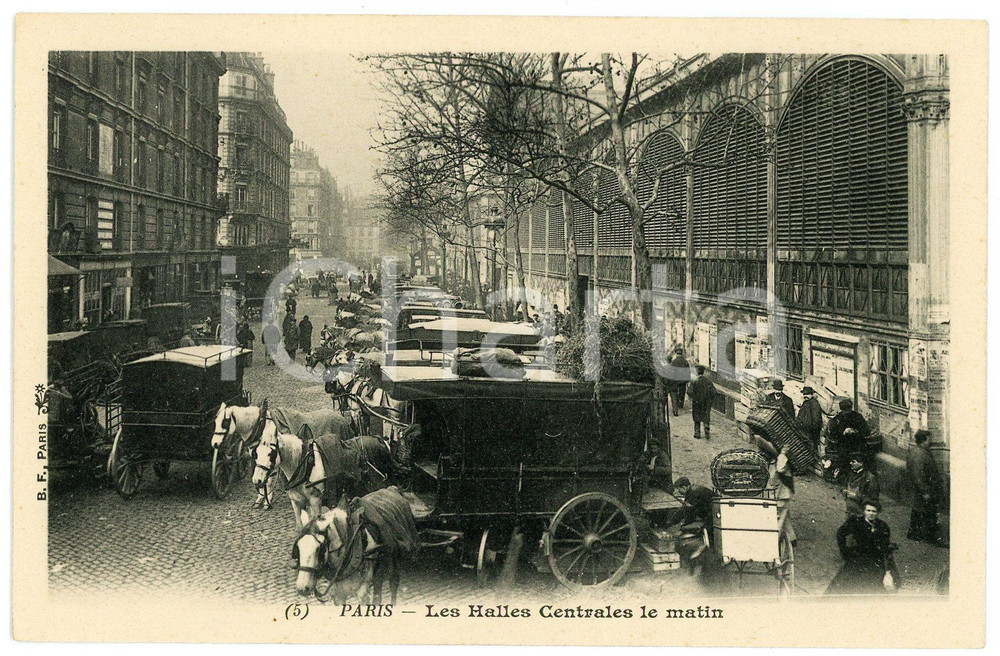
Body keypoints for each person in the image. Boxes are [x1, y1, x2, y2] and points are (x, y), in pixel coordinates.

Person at [825, 500, 894, 595]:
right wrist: (844, 551)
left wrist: (887, 567)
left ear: (878, 513)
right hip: (857, 557)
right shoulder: (855, 522)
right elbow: (840, 534)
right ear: (864, 511)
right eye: (868, 510)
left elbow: (885, 546)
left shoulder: (883, 526)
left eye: (874, 511)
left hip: (874, 559)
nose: (871, 514)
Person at [907, 429, 947, 546]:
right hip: (926, 489)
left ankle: (913, 533)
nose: (932, 441)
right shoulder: (919, 455)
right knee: (930, 512)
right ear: (923, 440)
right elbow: (917, 474)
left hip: (925, 488)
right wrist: (924, 491)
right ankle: (932, 537)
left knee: (919, 509)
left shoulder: (920, 451)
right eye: (930, 439)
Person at [826, 399, 872, 478]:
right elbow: (832, 432)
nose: (847, 412)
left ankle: (857, 477)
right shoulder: (838, 418)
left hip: (857, 444)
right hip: (843, 444)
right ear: (842, 410)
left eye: (848, 410)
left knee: (859, 460)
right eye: (845, 411)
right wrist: (842, 432)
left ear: (851, 408)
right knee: (843, 459)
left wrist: (854, 431)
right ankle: (844, 476)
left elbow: (866, 431)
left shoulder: (857, 417)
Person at [770, 445, 797, 546]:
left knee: (779, 518)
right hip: (781, 493)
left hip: (782, 494)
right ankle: (792, 538)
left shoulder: (782, 461)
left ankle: (774, 542)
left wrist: (782, 453)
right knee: (784, 516)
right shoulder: (778, 460)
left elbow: (780, 468)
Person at [842, 454, 880, 519]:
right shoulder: (850, 474)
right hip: (850, 512)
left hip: (862, 515)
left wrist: (855, 496)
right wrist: (844, 490)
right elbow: (844, 485)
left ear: (861, 463)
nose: (850, 463)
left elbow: (873, 498)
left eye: (853, 462)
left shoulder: (869, 478)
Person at [687, 364, 717, 440]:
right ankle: (706, 426)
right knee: (706, 415)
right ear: (703, 372)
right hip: (706, 402)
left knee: (696, 416)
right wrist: (709, 399)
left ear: (697, 372)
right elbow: (714, 392)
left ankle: (697, 433)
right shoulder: (708, 381)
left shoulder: (694, 382)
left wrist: (693, 397)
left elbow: (689, 392)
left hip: (697, 402)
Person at [795, 385, 825, 455]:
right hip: (804, 432)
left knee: (812, 450)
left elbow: (816, 420)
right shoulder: (805, 403)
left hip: (810, 433)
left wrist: (812, 431)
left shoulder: (814, 404)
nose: (805, 396)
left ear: (811, 395)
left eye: (807, 394)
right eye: (804, 394)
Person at [666, 347, 691, 417]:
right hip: (683, 380)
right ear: (681, 353)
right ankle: (681, 404)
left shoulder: (673, 362)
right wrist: (687, 380)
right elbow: (688, 371)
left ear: (676, 353)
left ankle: (676, 404)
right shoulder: (685, 362)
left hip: (675, 381)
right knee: (682, 392)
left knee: (675, 393)